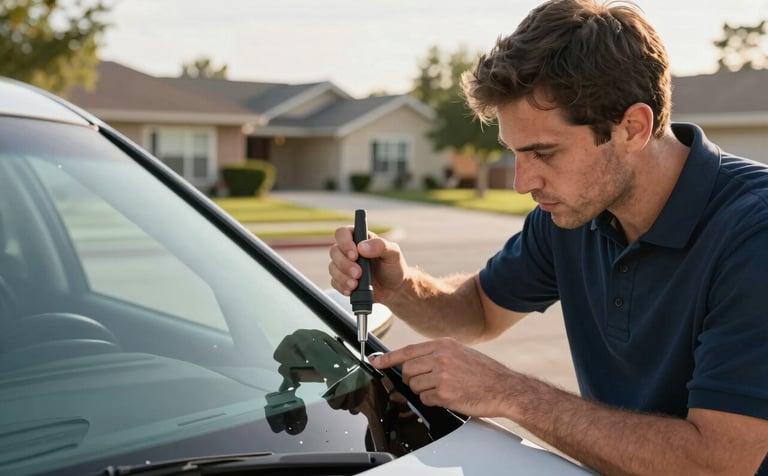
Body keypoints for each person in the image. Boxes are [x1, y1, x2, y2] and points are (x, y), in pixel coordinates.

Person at [328, 0, 768, 474]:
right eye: (516, 153)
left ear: (633, 128)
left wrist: (510, 393)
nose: (522, 182)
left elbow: (719, 464)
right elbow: (478, 310)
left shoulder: (753, 233)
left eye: (543, 153)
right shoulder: (574, 214)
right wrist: (401, 285)